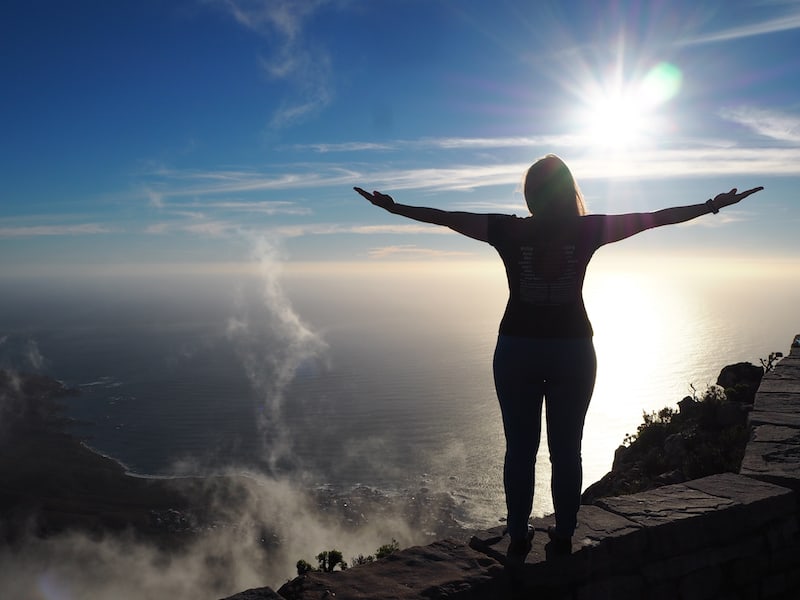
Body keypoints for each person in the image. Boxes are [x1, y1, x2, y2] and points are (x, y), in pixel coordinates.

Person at [354, 154, 763, 562]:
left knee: (520, 449)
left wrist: (395, 207)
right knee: (568, 450)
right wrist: (711, 206)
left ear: (530, 194)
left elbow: (446, 216)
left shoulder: (506, 229)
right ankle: (563, 537)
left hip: (517, 348)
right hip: (573, 351)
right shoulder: (588, 230)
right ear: (569, 191)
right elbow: (655, 217)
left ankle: (517, 536)